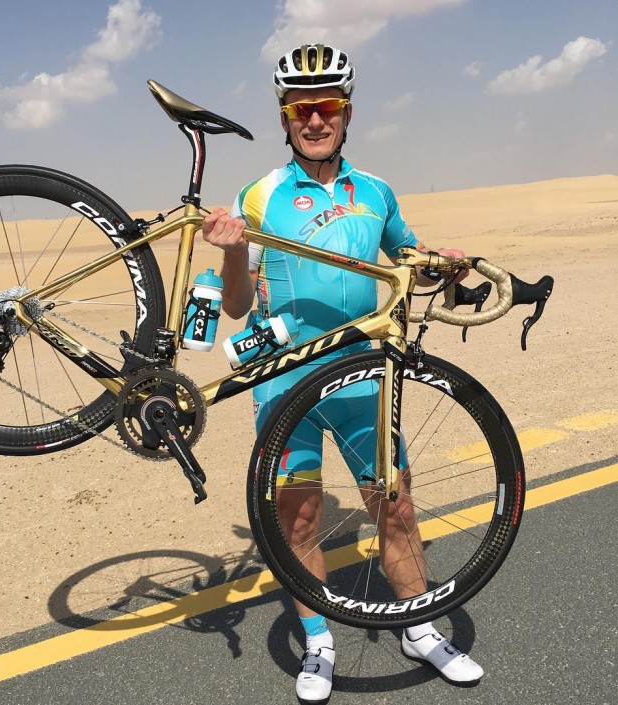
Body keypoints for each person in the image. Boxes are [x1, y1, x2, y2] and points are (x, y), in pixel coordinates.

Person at [202, 44, 483, 703]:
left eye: (326, 106)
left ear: (347, 112)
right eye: (300, 109)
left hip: (363, 381)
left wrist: (441, 262)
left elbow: (406, 261)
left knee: (396, 506)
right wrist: (234, 252)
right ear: (284, 118)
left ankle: (417, 624)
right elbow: (236, 305)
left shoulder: (376, 191)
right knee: (299, 520)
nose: (314, 119)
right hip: (285, 383)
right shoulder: (259, 195)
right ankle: (318, 640)